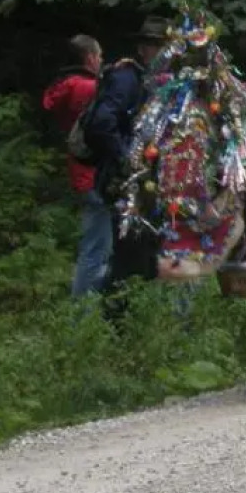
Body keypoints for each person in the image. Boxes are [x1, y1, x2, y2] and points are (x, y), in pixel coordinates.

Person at [85, 16, 170, 301]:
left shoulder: (161, 84)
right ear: (142, 48)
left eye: (160, 46)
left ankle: (130, 319)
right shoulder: (127, 78)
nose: (155, 51)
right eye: (150, 45)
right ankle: (113, 321)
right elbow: (101, 123)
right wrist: (128, 159)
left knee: (145, 254)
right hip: (125, 183)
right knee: (127, 256)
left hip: (148, 184)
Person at [41, 34, 107, 296]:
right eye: (99, 56)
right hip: (96, 174)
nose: (101, 61)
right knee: (96, 249)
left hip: (81, 171)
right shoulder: (89, 88)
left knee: (97, 245)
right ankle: (83, 314)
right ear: (90, 58)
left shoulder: (63, 86)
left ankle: (89, 308)